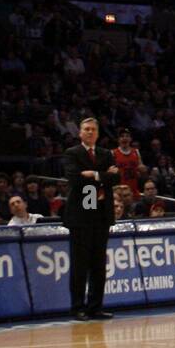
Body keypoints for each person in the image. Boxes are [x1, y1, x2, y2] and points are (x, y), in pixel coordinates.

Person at [62, 117, 118, 321]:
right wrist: (103, 177)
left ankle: (96, 307)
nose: (90, 132)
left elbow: (116, 178)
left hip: (101, 214)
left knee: (98, 264)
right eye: (86, 129)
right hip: (81, 216)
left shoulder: (106, 153)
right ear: (80, 132)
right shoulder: (72, 153)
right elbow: (75, 179)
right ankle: (78, 307)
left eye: (93, 129)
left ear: (98, 133)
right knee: (80, 264)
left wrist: (93, 175)